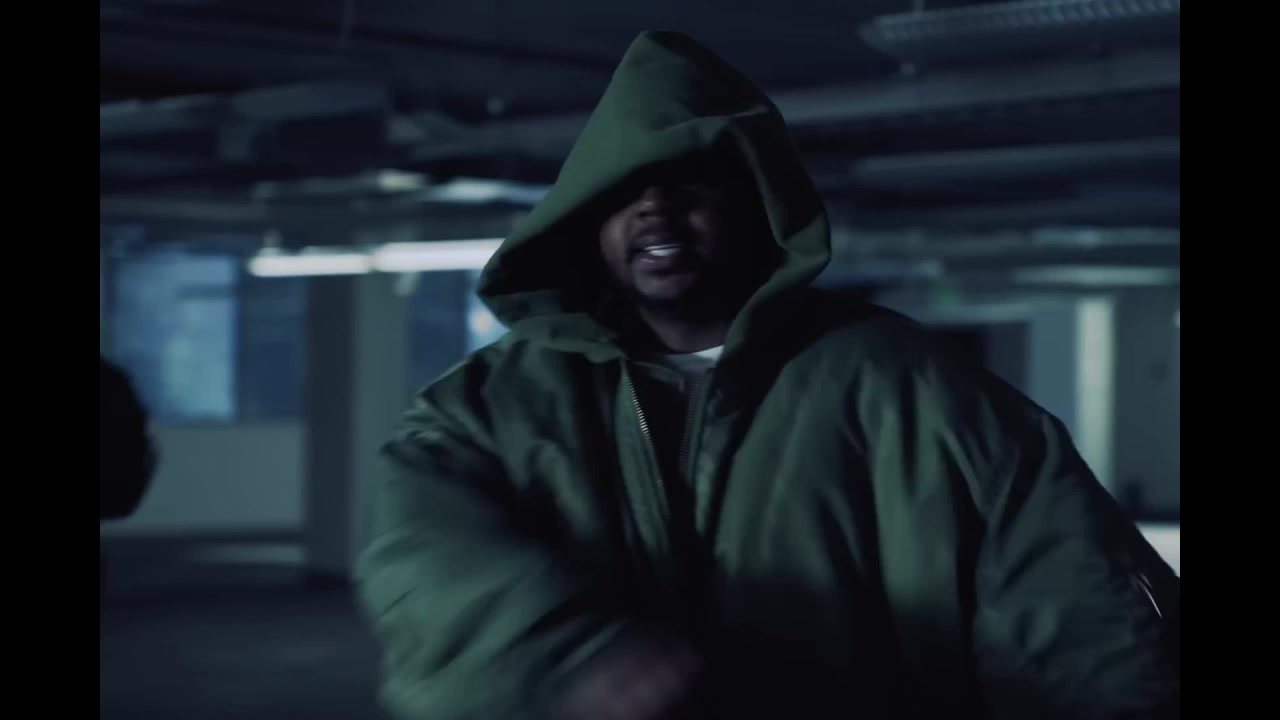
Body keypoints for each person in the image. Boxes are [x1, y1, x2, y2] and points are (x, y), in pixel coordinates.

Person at [355, 31, 1179, 720]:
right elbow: (420, 550)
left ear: (758, 204)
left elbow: (1081, 609)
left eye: (689, 180)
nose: (654, 208)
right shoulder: (487, 409)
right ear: (586, 224)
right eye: (624, 190)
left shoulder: (915, 391)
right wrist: (559, 649)